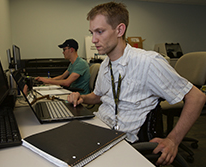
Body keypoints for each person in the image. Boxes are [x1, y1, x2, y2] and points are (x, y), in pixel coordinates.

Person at [67, 2, 206, 166]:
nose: (94, 39)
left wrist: (173, 140)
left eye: (100, 32)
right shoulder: (106, 64)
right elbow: (97, 96)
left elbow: (197, 98)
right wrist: (81, 97)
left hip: (127, 142)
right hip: (101, 130)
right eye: (92, 32)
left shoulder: (148, 62)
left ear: (119, 30)